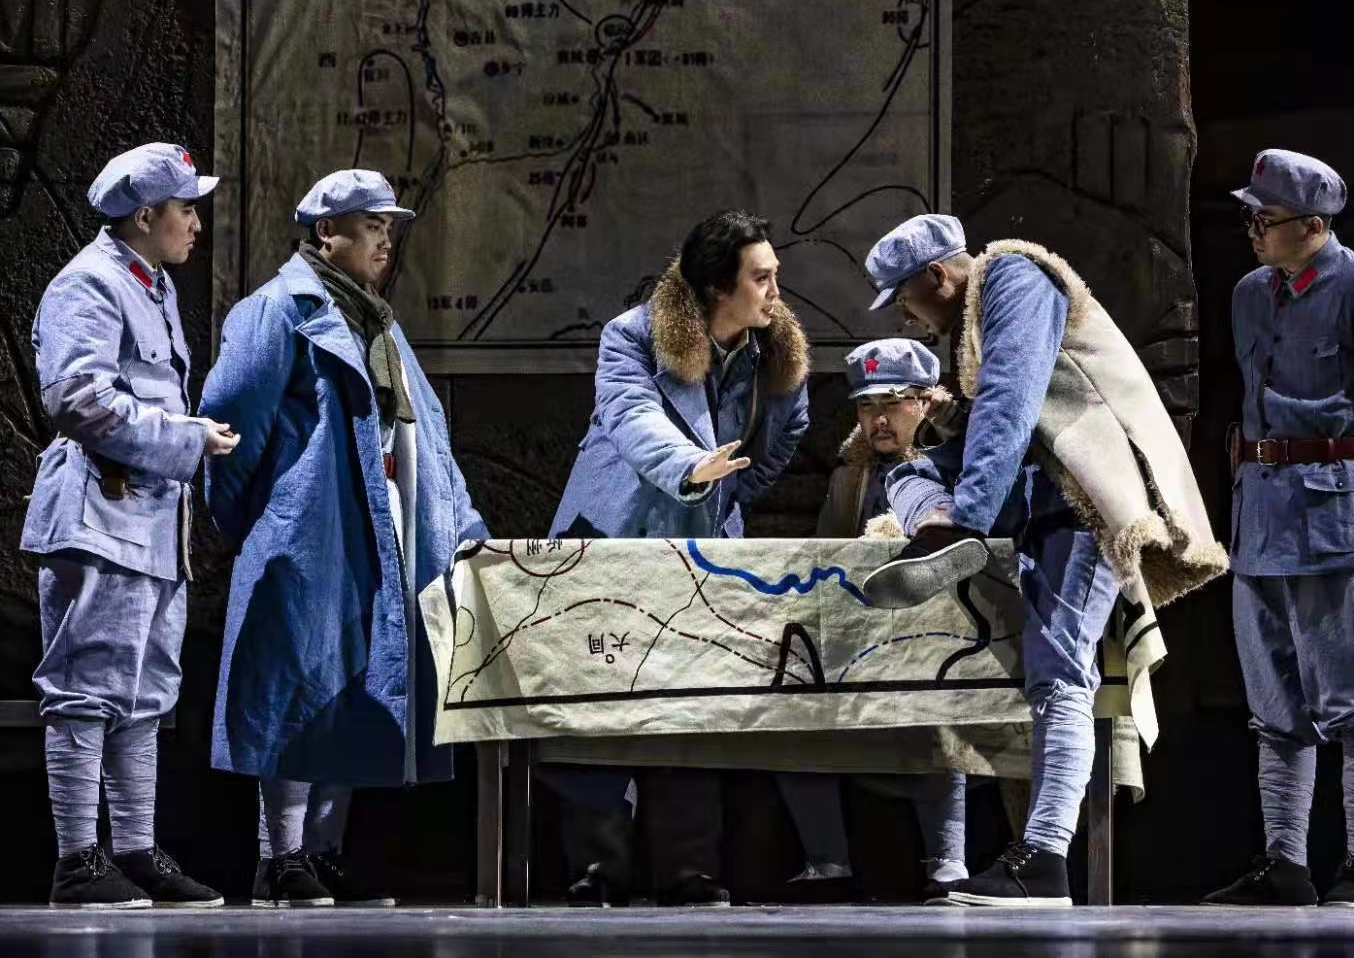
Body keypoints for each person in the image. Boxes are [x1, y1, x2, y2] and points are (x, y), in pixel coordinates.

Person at [862, 213, 1226, 906]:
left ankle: (1045, 859)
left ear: (937, 276)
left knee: (1061, 674)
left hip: (1083, 503)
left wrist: (968, 518)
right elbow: (999, 416)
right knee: (906, 472)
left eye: (906, 298)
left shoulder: (1013, 278)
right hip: (1042, 502)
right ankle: (931, 521)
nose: (908, 316)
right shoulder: (977, 313)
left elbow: (1012, 400)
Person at [200, 169, 489, 907]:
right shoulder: (277, 311)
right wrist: (264, 522)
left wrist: (461, 528)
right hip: (311, 528)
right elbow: (233, 425)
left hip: (380, 523)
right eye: (371, 226)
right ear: (327, 233)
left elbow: (429, 434)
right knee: (297, 685)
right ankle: (280, 857)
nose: (385, 242)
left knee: (354, 690)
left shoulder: (378, 324)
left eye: (389, 228)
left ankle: (323, 853)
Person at [1201, 150, 1354, 909]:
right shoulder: (1250, 294)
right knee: (1274, 704)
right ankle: (1285, 863)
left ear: (1313, 226)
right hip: (1260, 516)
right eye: (1250, 218)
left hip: (1341, 515)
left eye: (1266, 220)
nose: (1253, 232)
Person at [548, 208, 810, 907]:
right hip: (616, 536)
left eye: (775, 275)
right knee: (598, 703)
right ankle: (599, 864)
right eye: (761, 278)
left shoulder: (774, 352)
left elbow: (787, 432)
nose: (775, 291)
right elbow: (631, 415)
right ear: (718, 286)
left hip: (702, 546)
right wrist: (693, 468)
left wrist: (730, 492)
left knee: (691, 702)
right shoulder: (631, 336)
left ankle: (686, 866)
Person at [22, 143, 237, 909]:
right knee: (86, 689)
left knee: (145, 694)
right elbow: (78, 400)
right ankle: (77, 859)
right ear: (145, 216)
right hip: (96, 514)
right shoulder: (90, 283)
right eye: (185, 209)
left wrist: (185, 440)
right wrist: (187, 438)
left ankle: (136, 850)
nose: (195, 224)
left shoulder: (150, 285)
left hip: (147, 521)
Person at [775, 338, 969, 900]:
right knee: (788, 714)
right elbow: (826, 553)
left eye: (892, 404)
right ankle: (826, 861)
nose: (878, 420)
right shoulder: (851, 476)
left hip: (937, 632)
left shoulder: (957, 467)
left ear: (925, 403)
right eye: (866, 406)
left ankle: (948, 860)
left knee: (937, 719)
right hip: (857, 631)